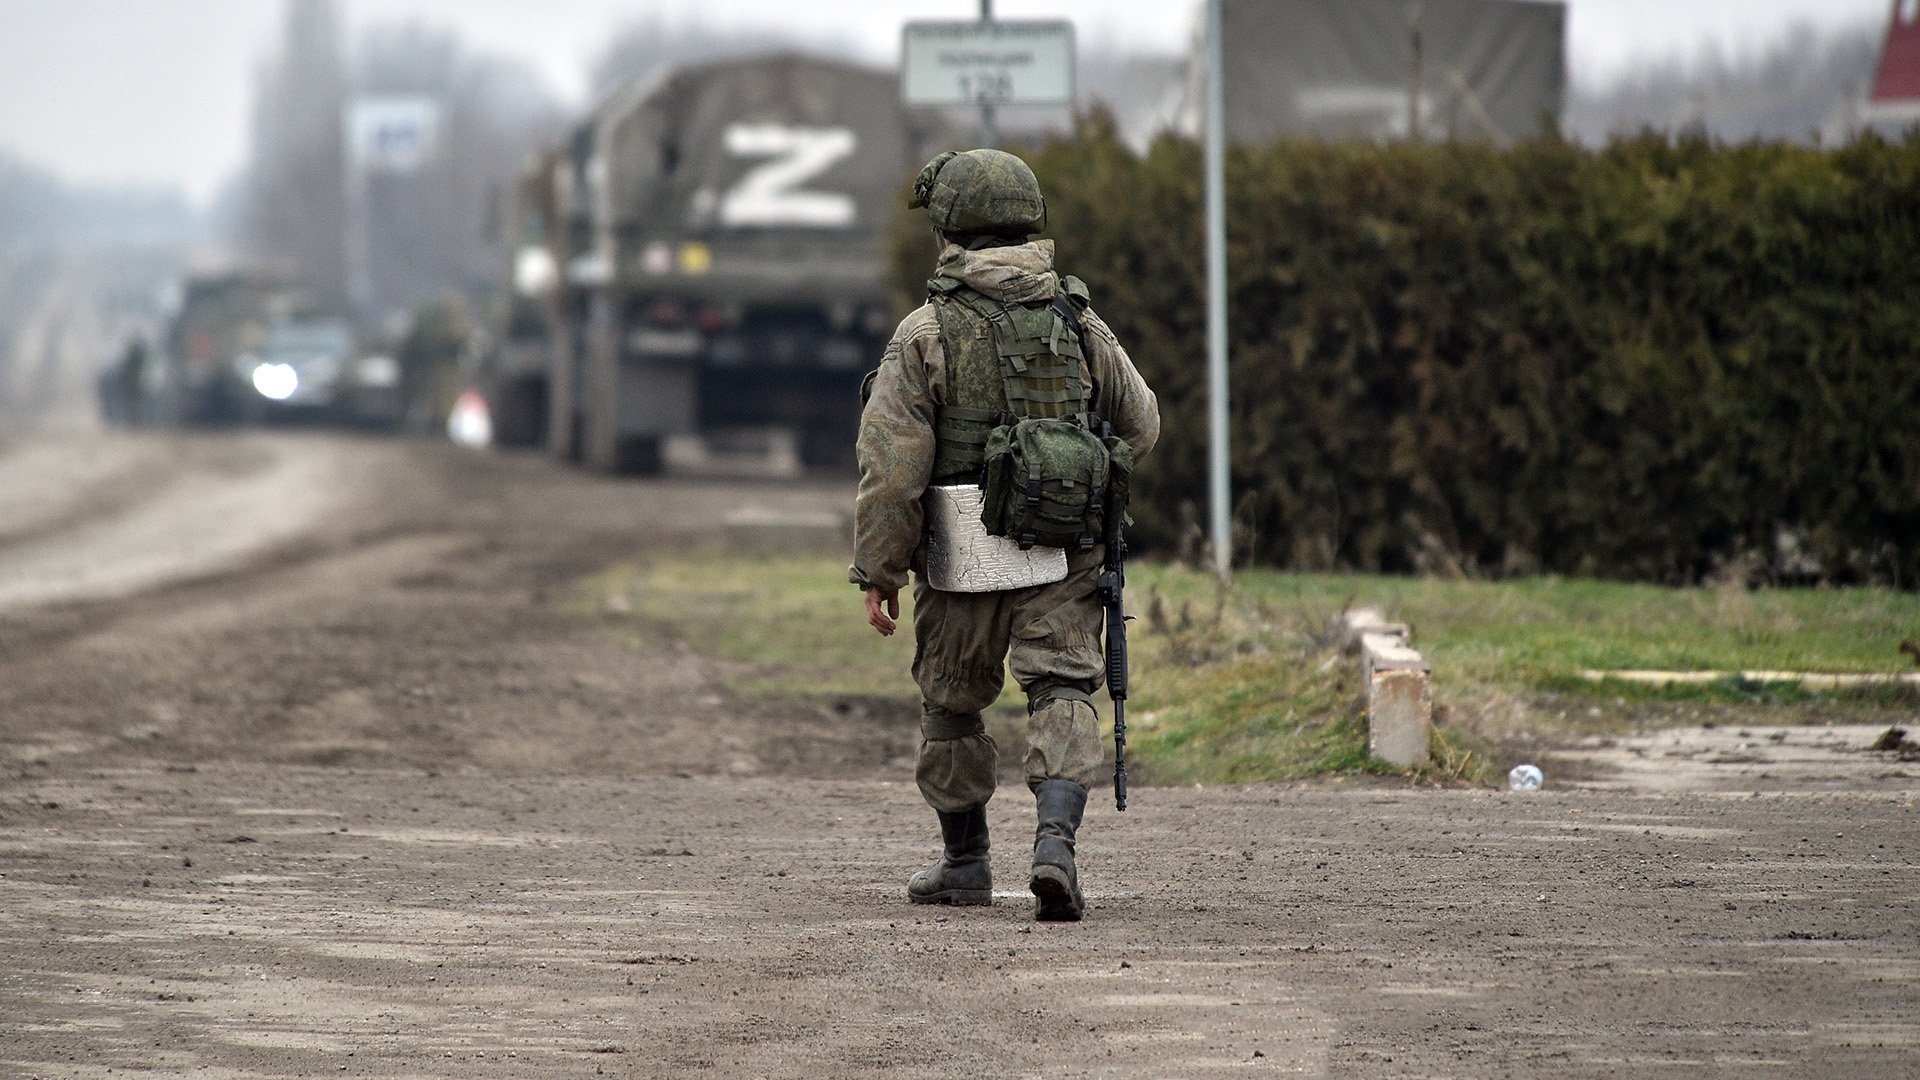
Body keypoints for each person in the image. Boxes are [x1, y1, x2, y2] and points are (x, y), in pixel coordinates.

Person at [850, 149, 1159, 921]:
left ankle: (965, 861)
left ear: (950, 227)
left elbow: (891, 467)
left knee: (952, 701)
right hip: (1065, 548)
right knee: (1061, 686)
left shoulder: (924, 333)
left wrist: (878, 570)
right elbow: (1141, 424)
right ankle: (1055, 846)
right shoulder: (1078, 318)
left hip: (960, 556)